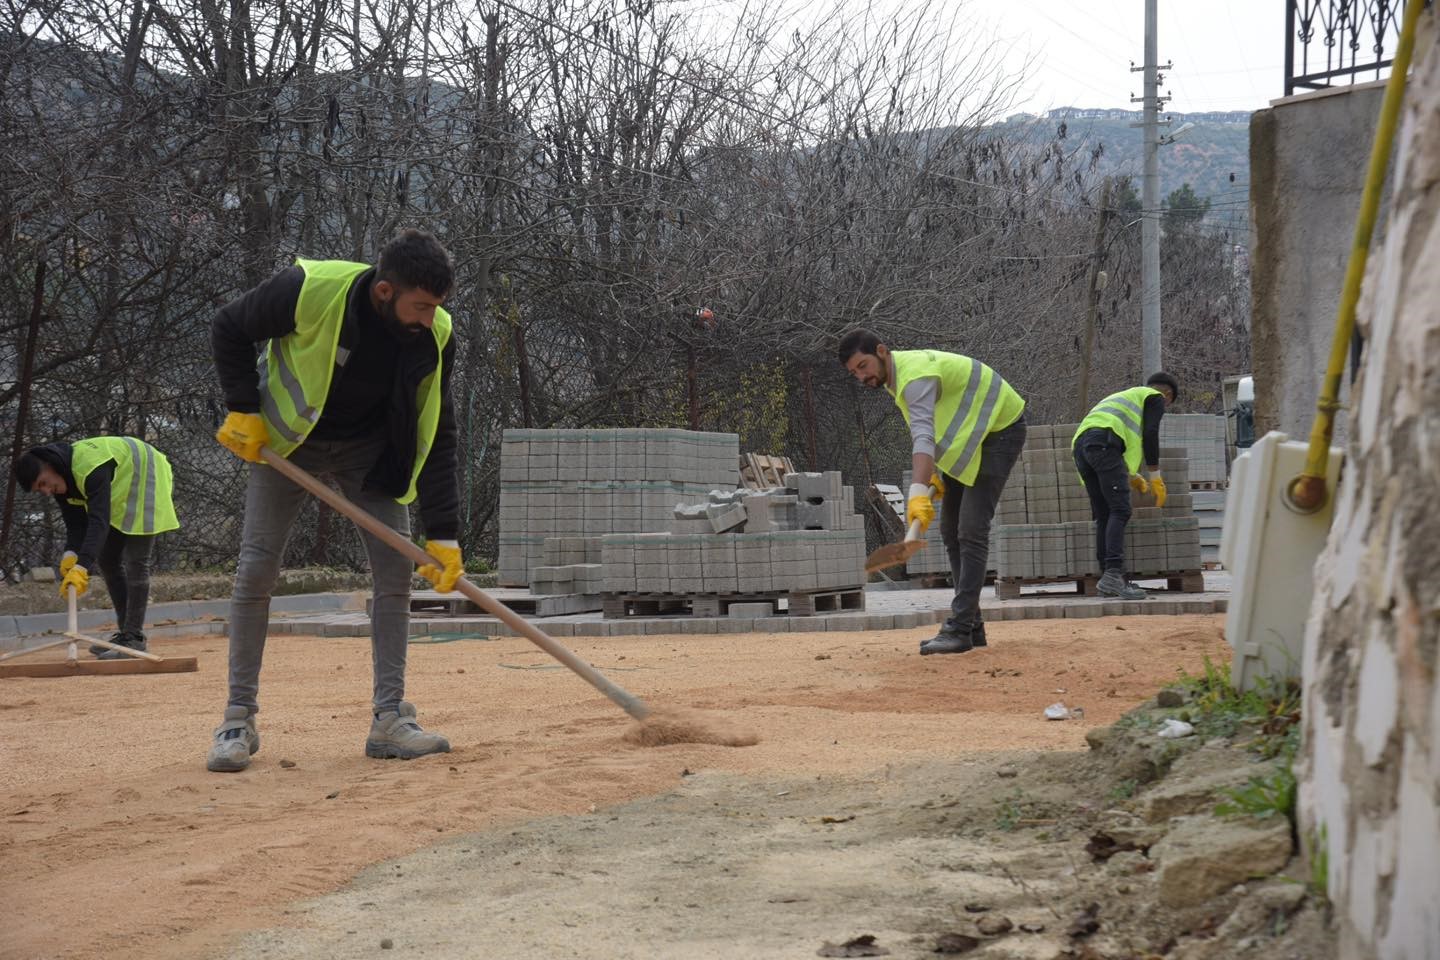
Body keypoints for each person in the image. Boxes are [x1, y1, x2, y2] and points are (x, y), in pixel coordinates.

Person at [206, 228, 465, 773]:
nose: (428, 318)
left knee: (395, 574)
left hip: (371, 454)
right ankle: (237, 719)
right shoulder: (308, 288)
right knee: (256, 572)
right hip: (285, 443)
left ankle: (391, 719)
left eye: (436, 307)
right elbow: (228, 326)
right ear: (385, 291)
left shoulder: (435, 333)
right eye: (420, 306)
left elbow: (438, 430)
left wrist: (444, 533)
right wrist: (242, 407)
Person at [838, 329, 1027, 655]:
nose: (862, 377)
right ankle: (971, 626)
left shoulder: (914, 377)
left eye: (863, 365)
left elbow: (923, 437)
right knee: (950, 530)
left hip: (1000, 430)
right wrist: (937, 475)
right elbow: (944, 422)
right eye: (855, 372)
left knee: (971, 530)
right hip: (974, 440)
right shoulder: (897, 380)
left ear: (882, 351)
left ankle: (959, 627)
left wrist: (916, 492)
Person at [13, 437, 179, 658]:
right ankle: (125, 634)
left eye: (43, 483)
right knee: (108, 560)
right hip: (122, 486)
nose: (45, 491)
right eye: (39, 489)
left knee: (136, 562)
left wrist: (82, 567)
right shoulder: (63, 481)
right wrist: (71, 554)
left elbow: (98, 521)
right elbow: (76, 525)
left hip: (146, 473)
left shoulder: (89, 468)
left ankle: (134, 638)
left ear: (51, 467)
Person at [1071, 373, 1179, 600]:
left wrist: (1130, 475)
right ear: (1167, 395)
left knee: (1104, 514)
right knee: (1121, 510)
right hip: (1102, 444)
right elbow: (1150, 434)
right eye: (1167, 404)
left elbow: (1119, 436)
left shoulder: (1127, 397)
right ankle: (1113, 574)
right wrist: (1155, 476)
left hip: (1083, 446)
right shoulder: (1154, 397)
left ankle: (1108, 579)